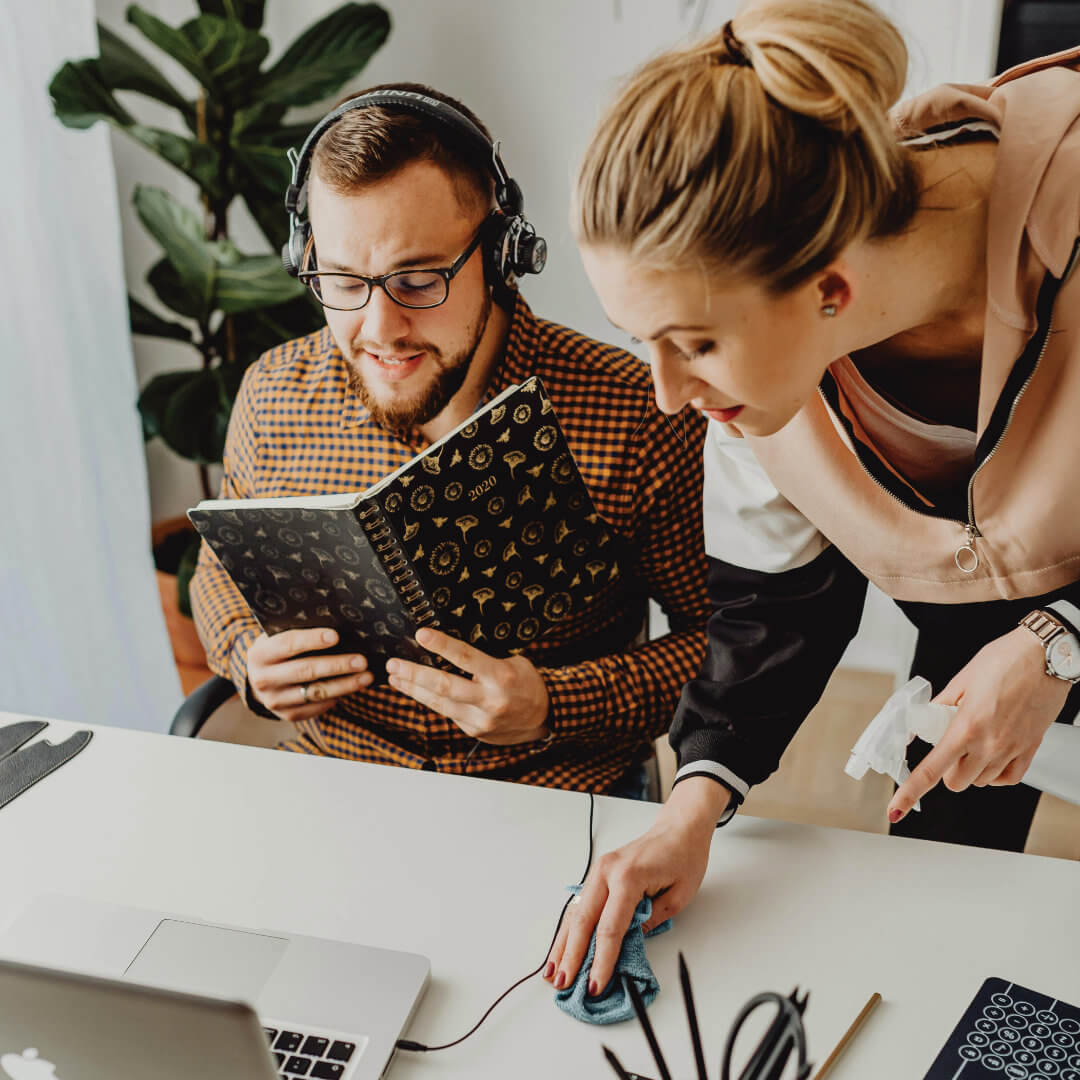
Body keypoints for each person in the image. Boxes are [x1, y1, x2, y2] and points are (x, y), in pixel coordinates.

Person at [543, 0, 1080, 996]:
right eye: (638, 339)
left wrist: (1058, 637)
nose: (666, 392)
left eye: (694, 341)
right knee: (952, 940)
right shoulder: (762, 383)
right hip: (982, 639)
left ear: (832, 290)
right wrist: (687, 810)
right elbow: (771, 609)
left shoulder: (1067, 207)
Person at [189, 83, 711, 797]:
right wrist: (249, 657)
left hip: (560, 793)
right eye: (341, 279)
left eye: (417, 279)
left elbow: (726, 640)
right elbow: (217, 571)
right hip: (339, 781)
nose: (378, 330)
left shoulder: (637, 408)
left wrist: (554, 705)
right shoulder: (273, 394)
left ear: (501, 252)